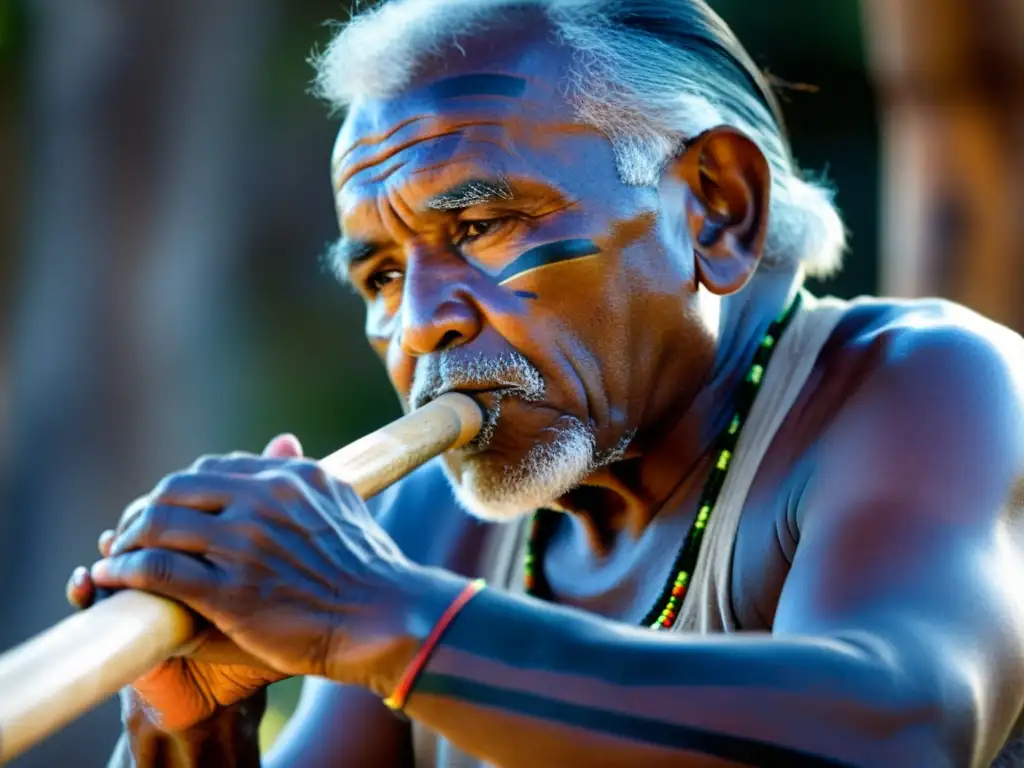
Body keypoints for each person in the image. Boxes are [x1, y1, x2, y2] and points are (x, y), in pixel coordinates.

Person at [66, 1, 1024, 766]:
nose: (421, 322)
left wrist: (383, 616)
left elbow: (901, 731)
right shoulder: (434, 529)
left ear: (716, 210)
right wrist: (188, 734)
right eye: (381, 276)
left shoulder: (926, 387)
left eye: (481, 226)